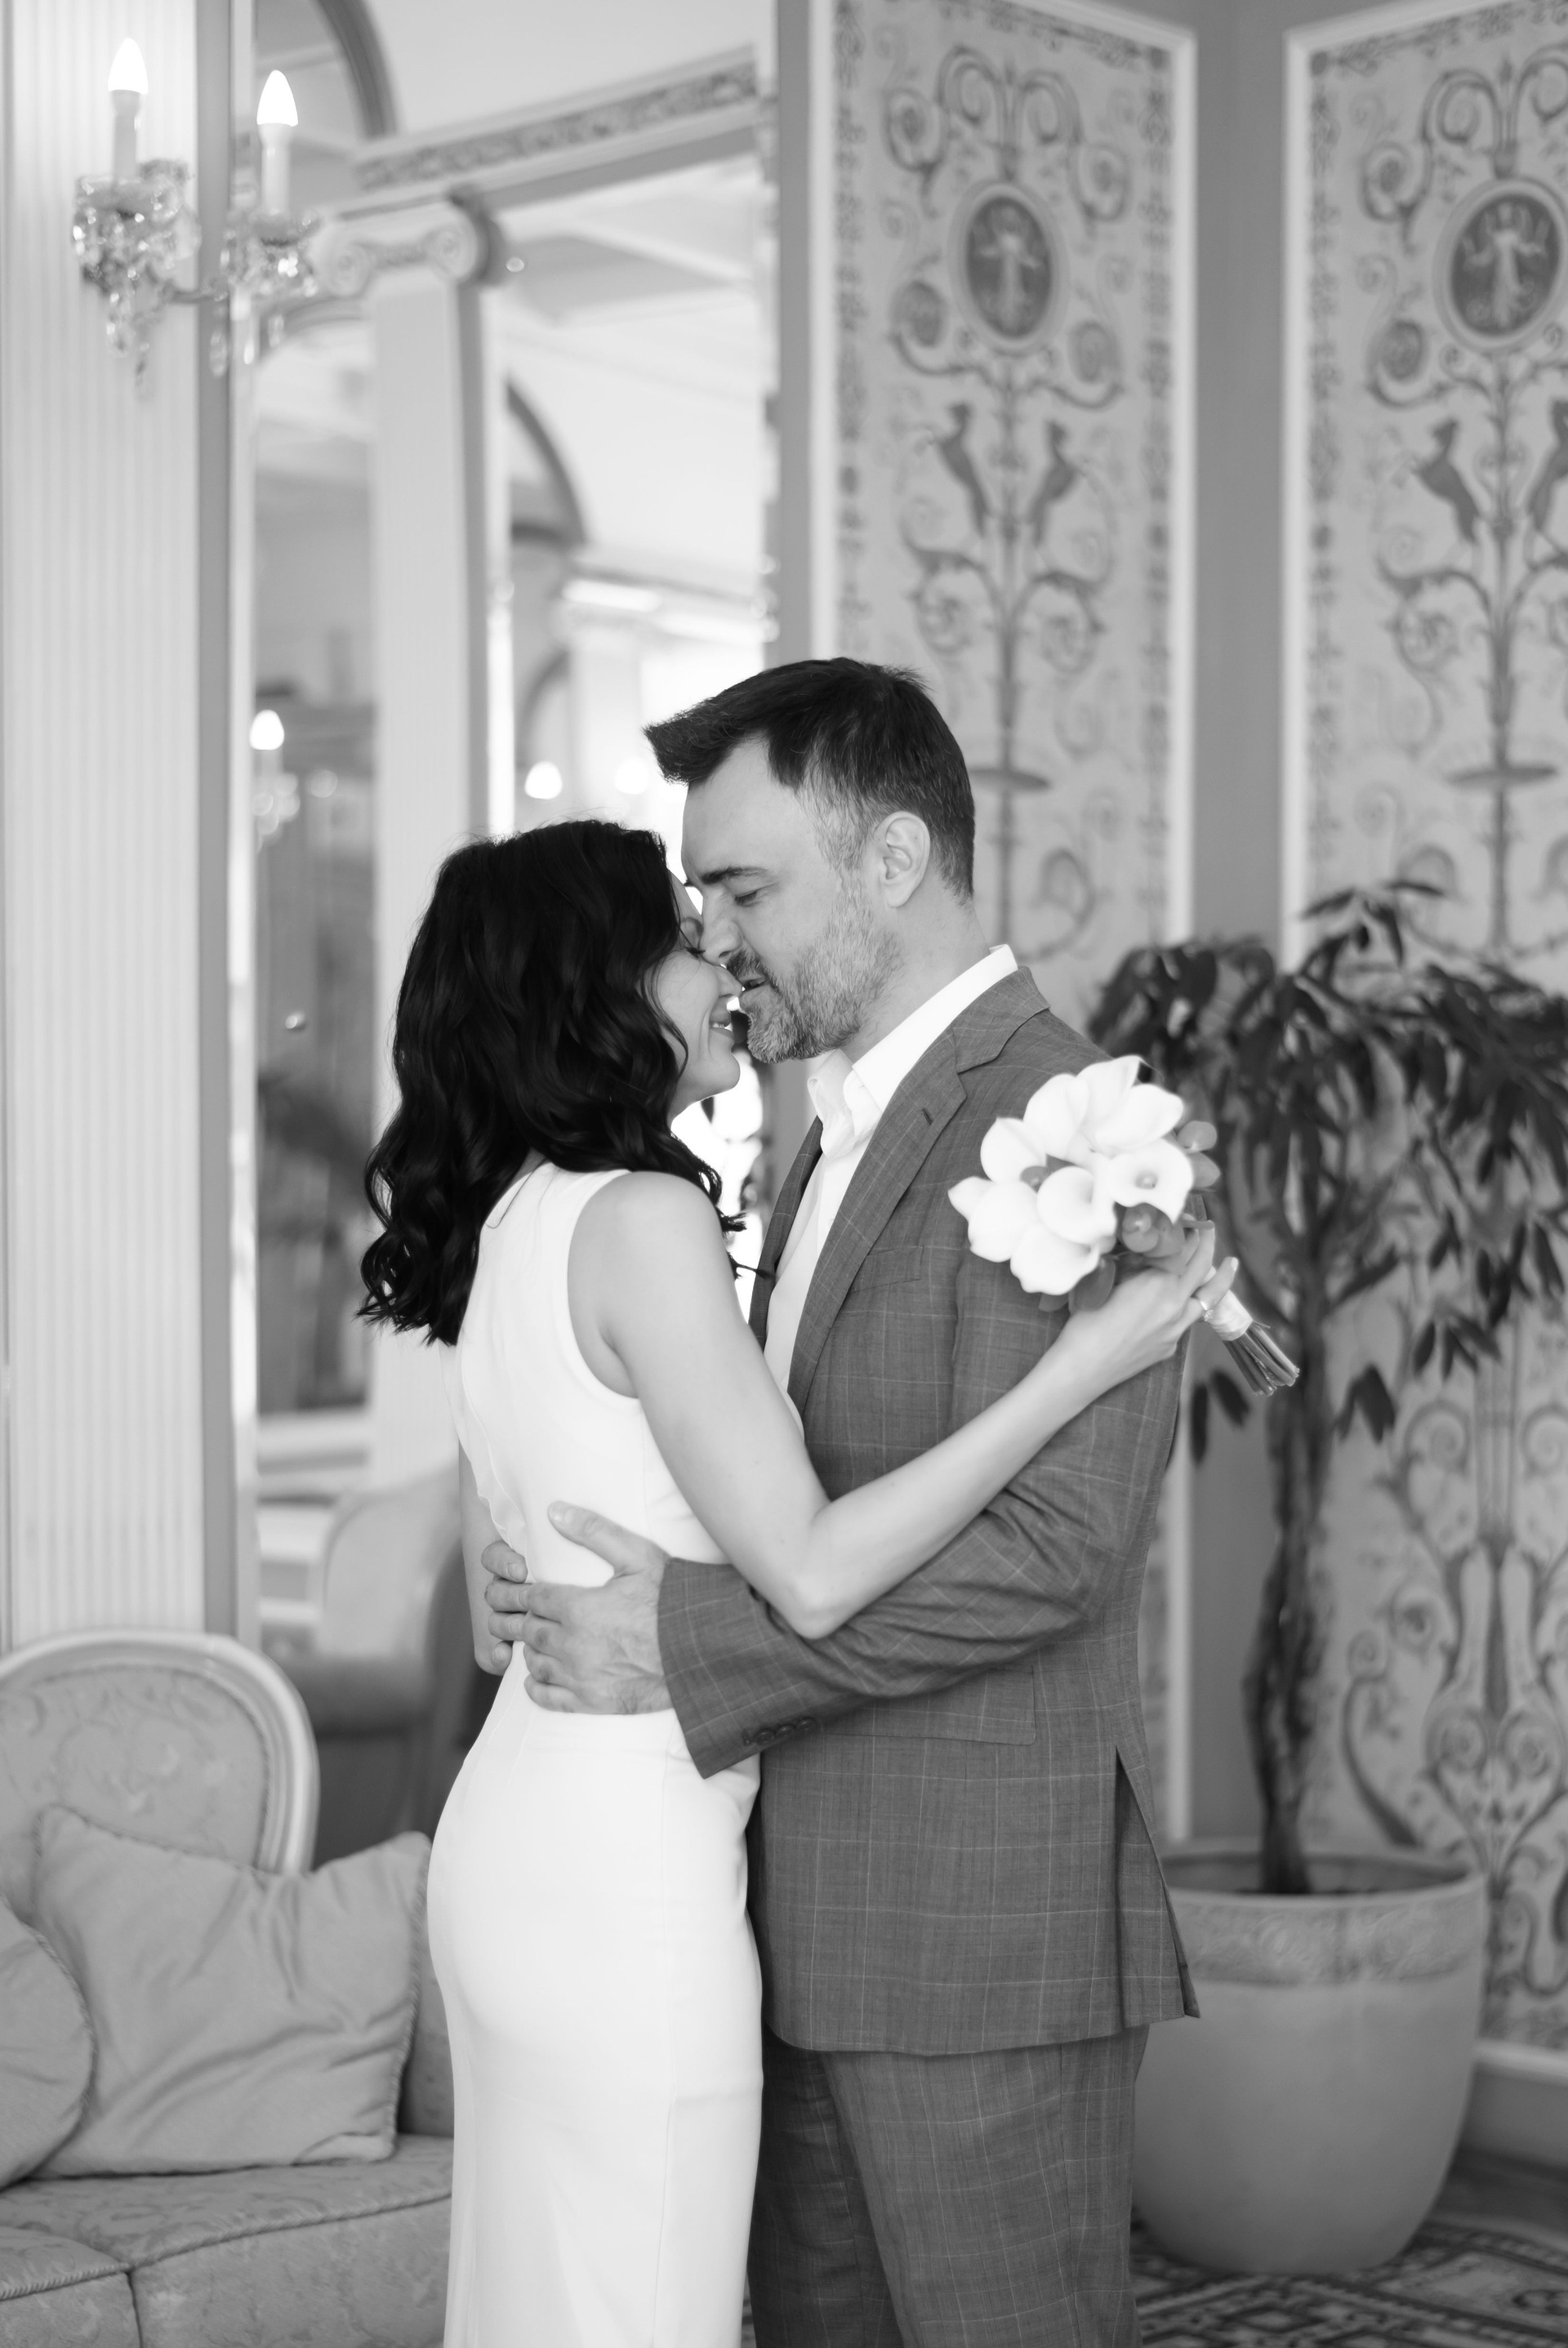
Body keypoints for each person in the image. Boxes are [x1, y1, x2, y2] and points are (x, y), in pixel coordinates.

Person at [361, 786, 1227, 2348]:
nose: (722, 956)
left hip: (526, 1843)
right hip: (630, 1873)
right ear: (595, 994)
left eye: (736, 900)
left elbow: (516, 1582)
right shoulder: (647, 1219)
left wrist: (560, 1598)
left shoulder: (515, 1223)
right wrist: (1079, 1367)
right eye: (687, 931)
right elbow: (813, 1571)